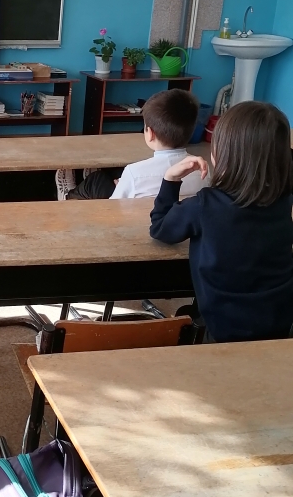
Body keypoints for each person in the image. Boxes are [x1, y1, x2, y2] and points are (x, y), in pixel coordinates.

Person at [150, 100, 293, 343]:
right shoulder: (283, 201)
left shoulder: (204, 206)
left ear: (222, 156)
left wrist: (170, 179)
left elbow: (160, 228)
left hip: (222, 328)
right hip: (278, 323)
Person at [62, 88, 205, 200]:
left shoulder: (134, 172)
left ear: (150, 133)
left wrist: (122, 187)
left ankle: (66, 197)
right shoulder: (202, 171)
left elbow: (112, 206)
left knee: (95, 180)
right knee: (115, 174)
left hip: (135, 219)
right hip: (173, 218)